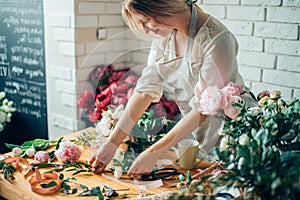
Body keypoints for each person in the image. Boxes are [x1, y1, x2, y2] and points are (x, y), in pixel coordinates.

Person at [89, 0, 244, 176]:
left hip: (232, 135)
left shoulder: (218, 39)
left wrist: (153, 152)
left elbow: (203, 109)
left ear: (163, 6)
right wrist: (112, 142)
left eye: (146, 21)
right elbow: (145, 91)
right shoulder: (164, 37)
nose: (145, 29)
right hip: (198, 134)